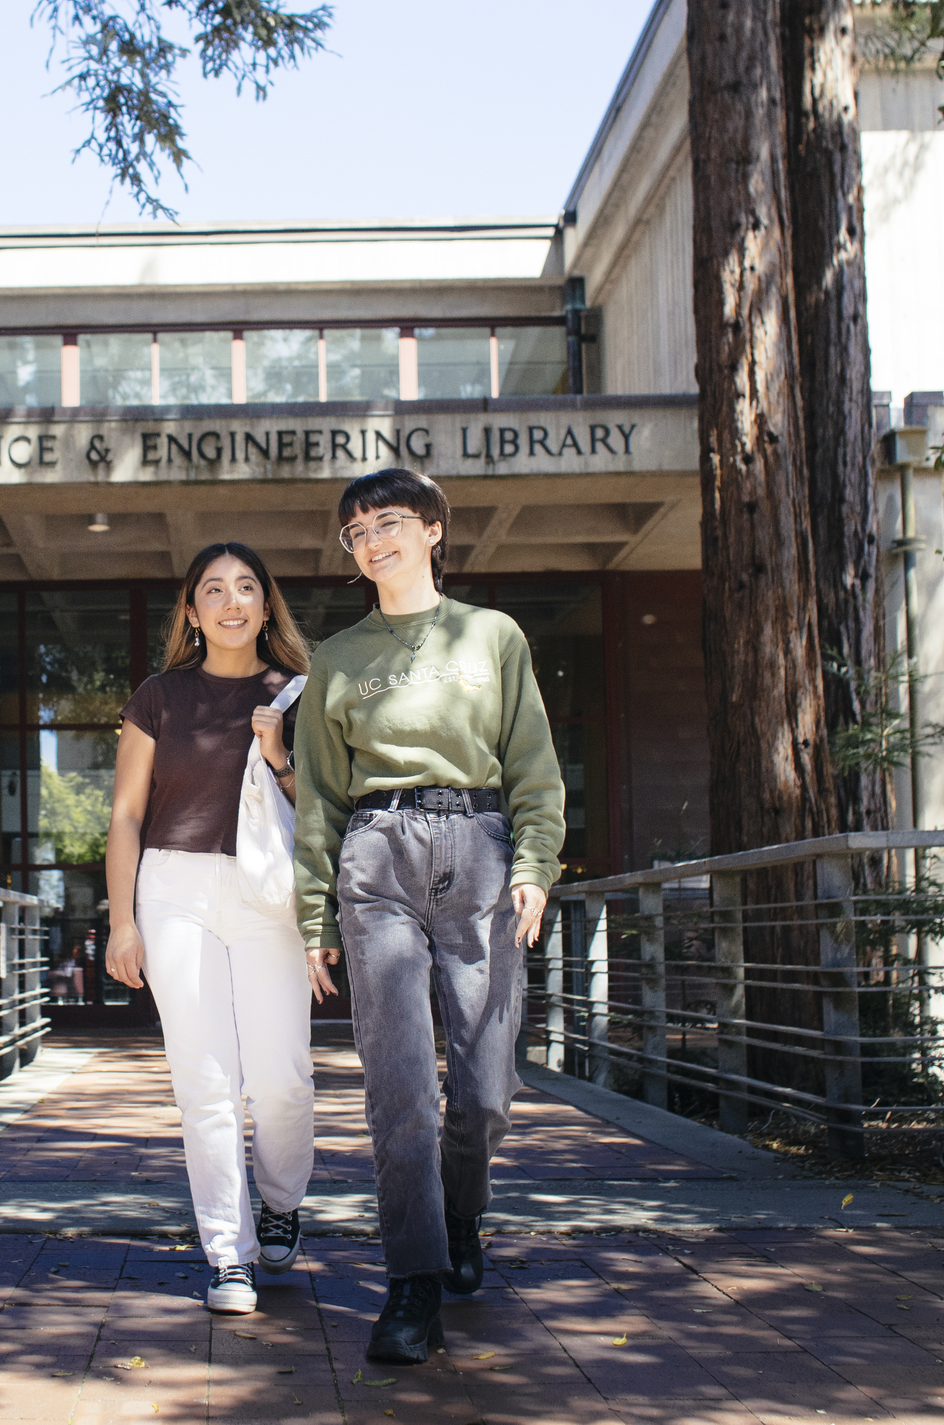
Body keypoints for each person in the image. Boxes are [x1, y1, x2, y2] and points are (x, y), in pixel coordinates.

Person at [291, 468, 564, 1365]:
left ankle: (460, 1212)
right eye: (356, 531)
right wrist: (313, 916)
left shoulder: (494, 636)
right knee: (400, 1084)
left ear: (435, 529)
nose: (373, 541)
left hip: (479, 843)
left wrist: (534, 862)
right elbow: (320, 803)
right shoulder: (335, 658)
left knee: (485, 1088)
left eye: (390, 522)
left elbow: (531, 762)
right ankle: (411, 1282)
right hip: (376, 855)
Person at [104, 543, 330, 1315]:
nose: (232, 601)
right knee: (205, 1081)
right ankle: (227, 1256)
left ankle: (280, 1198)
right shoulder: (158, 696)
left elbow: (324, 813)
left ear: (267, 607)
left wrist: (279, 753)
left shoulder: (301, 694)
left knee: (282, 1081)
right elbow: (127, 814)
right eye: (214, 589)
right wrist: (121, 921)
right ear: (192, 611)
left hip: (269, 893)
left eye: (246, 588)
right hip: (174, 890)